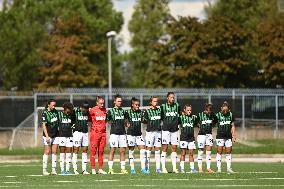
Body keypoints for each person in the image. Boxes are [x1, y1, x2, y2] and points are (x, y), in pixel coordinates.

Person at [107, 94, 128, 174]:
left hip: (122, 133)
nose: (120, 102)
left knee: (123, 151)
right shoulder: (110, 111)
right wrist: (111, 122)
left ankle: (123, 169)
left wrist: (127, 124)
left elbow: (126, 121)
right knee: (112, 150)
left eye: (121, 101)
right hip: (114, 133)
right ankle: (110, 169)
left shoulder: (123, 111)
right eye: (118, 101)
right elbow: (107, 120)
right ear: (114, 102)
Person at [160, 92, 181, 173]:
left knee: (174, 148)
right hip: (165, 130)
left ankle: (174, 168)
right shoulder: (163, 106)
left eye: (173, 97)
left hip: (174, 130)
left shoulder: (177, 105)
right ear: (167, 98)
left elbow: (179, 115)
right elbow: (161, 117)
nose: (173, 99)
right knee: (164, 148)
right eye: (171, 97)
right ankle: (163, 168)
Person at [125, 97, 147, 174]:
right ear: (132, 105)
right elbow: (125, 120)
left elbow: (143, 121)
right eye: (136, 105)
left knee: (143, 150)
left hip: (138, 134)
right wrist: (126, 123)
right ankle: (132, 169)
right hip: (130, 134)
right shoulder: (127, 112)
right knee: (131, 151)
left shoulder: (140, 112)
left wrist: (145, 120)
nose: (138, 106)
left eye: (138, 105)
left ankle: (143, 169)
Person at [215, 101, 236, 173]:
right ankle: (219, 169)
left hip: (228, 137)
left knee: (228, 152)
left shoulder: (230, 115)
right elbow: (212, 123)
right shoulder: (217, 115)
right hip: (220, 136)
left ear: (228, 110)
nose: (225, 111)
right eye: (223, 110)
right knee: (219, 151)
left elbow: (232, 125)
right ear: (221, 108)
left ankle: (229, 168)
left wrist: (233, 135)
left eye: (226, 110)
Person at [89, 96, 108, 174]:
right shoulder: (92, 110)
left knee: (101, 151)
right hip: (95, 133)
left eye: (103, 103)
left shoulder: (105, 110)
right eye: (100, 103)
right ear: (97, 103)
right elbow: (87, 117)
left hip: (103, 133)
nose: (102, 105)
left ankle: (100, 169)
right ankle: (93, 169)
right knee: (93, 151)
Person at [196, 103, 217, 173]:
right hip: (201, 135)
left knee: (208, 152)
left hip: (209, 135)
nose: (209, 112)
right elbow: (195, 122)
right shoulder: (200, 115)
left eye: (210, 111)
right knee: (200, 152)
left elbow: (216, 121)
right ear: (205, 110)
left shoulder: (212, 115)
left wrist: (212, 125)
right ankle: (200, 168)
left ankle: (208, 168)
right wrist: (199, 125)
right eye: (208, 111)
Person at [144, 96, 162, 173]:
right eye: (154, 101)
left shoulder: (160, 110)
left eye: (156, 101)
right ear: (150, 102)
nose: (156, 102)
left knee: (157, 150)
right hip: (150, 132)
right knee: (148, 149)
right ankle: (147, 168)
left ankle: (158, 168)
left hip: (158, 132)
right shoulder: (147, 111)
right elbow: (144, 121)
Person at [41, 99, 59, 175]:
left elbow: (57, 123)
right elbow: (44, 125)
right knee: (47, 152)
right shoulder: (44, 113)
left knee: (54, 152)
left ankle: (53, 170)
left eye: (55, 105)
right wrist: (47, 136)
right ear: (48, 105)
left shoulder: (56, 112)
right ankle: (44, 170)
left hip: (56, 134)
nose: (54, 106)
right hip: (47, 135)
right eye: (53, 105)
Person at [72, 102, 90, 175]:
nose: (85, 110)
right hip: (77, 133)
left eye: (86, 109)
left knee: (85, 150)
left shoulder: (88, 112)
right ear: (81, 107)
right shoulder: (75, 111)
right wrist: (72, 126)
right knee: (76, 150)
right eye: (84, 109)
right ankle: (75, 169)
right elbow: (70, 119)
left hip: (85, 133)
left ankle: (84, 170)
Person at [179, 104, 198, 173]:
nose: (189, 111)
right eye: (188, 110)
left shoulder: (193, 117)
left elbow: (197, 124)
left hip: (191, 138)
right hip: (183, 138)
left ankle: (192, 169)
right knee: (183, 153)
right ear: (184, 110)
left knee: (191, 153)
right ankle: (182, 169)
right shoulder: (181, 117)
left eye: (190, 110)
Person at [58, 102, 75, 175]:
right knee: (62, 153)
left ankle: (67, 170)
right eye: (69, 109)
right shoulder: (59, 115)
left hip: (69, 136)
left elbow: (73, 123)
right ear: (66, 108)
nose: (70, 111)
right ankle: (62, 170)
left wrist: (73, 126)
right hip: (61, 136)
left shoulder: (71, 115)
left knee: (68, 153)